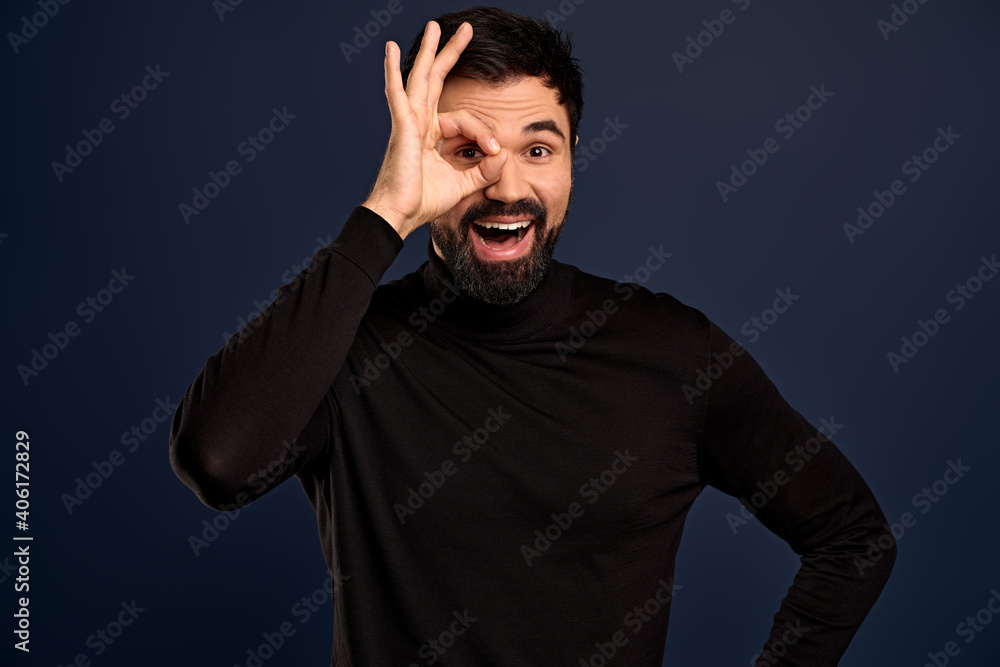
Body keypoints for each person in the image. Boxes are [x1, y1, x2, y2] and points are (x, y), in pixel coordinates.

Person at [169, 6, 895, 665]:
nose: (507, 185)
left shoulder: (675, 353)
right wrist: (385, 213)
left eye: (538, 149)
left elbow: (852, 538)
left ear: (574, 157)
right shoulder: (343, 344)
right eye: (466, 150)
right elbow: (218, 461)